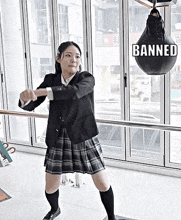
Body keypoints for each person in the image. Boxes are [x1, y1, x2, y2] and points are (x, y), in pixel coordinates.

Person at [19, 41, 117, 220]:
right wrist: (24, 98)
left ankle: (111, 217)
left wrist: (40, 92)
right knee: (50, 186)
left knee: (102, 183)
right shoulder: (51, 79)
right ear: (59, 58)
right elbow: (31, 104)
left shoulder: (86, 78)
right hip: (57, 136)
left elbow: (73, 92)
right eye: (68, 55)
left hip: (83, 135)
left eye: (77, 56)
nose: (74, 59)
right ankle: (54, 209)